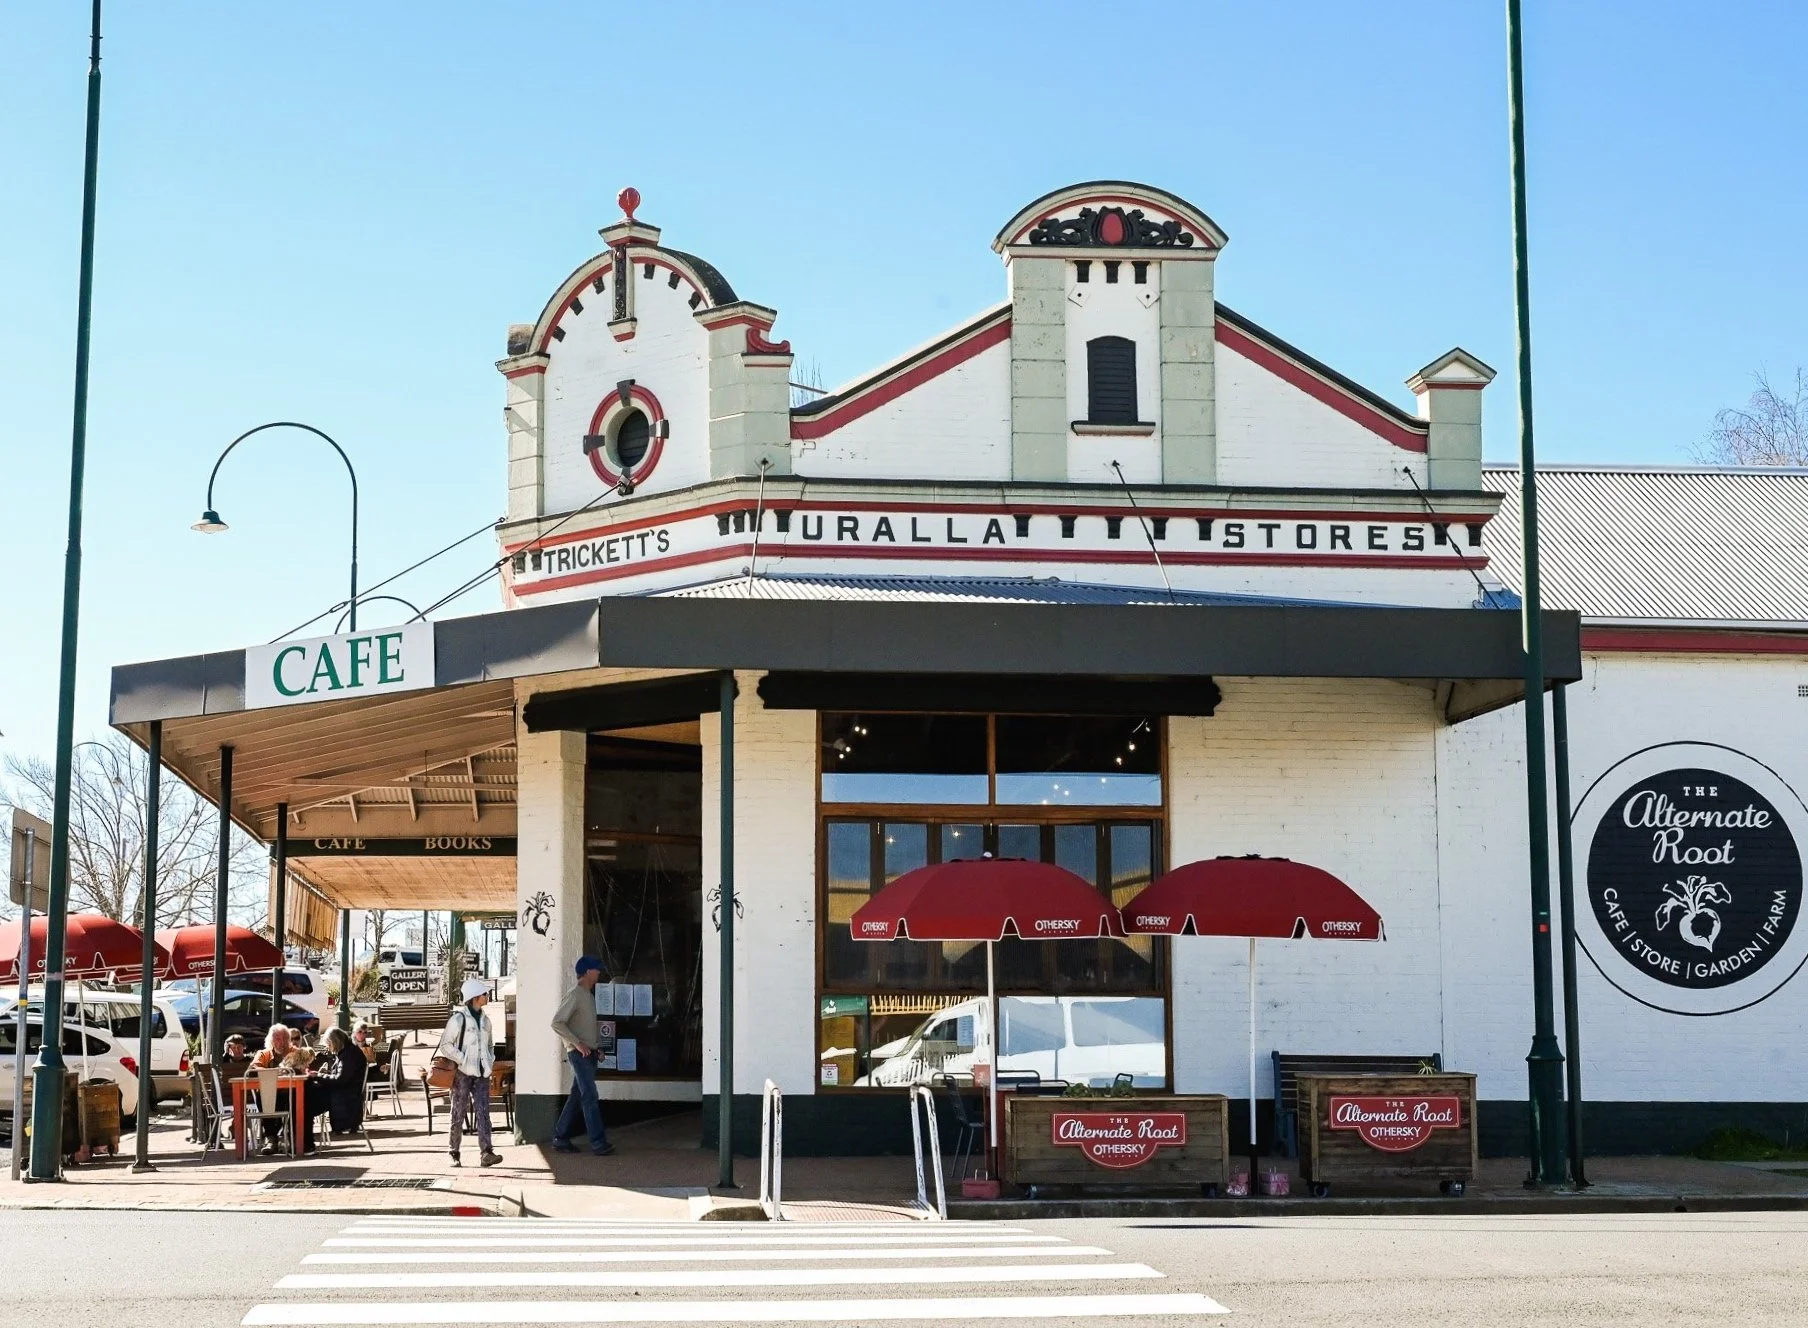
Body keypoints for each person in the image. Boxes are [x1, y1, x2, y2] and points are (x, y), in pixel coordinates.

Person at [550, 955, 613, 1156]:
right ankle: (598, 1142)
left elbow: (586, 1027)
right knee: (590, 1095)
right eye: (596, 969)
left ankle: (560, 1137)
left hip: (589, 1054)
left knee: (578, 1096)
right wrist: (577, 1044)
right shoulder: (575, 995)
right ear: (587, 972)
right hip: (579, 1055)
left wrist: (597, 1047)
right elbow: (557, 1022)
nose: (599, 973)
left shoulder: (588, 996)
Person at [436, 978, 501, 1168]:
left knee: (484, 1112)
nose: (487, 996)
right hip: (463, 1073)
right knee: (458, 1112)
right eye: (484, 994)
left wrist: (489, 1060)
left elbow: (489, 1045)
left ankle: (486, 1153)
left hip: (482, 1073)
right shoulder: (458, 1019)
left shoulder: (486, 1020)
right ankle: (453, 1151)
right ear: (474, 997)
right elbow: (445, 1045)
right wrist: (462, 1059)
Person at [249, 1024, 314, 1155]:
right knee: (265, 1094)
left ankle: (291, 1138)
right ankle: (271, 1138)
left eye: (284, 1038)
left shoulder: (295, 1052)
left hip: (290, 1095)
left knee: (295, 1096)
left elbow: (304, 1069)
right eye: (277, 1038)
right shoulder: (263, 1054)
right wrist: (274, 1073)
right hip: (268, 1096)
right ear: (271, 1040)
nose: (281, 1042)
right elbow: (253, 1069)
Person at [307, 1026, 369, 1138]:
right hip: (347, 1095)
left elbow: (341, 1079)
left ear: (335, 1042)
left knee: (308, 1101)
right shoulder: (348, 1052)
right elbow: (341, 1076)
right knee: (310, 1097)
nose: (329, 1048)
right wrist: (324, 1074)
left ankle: (303, 1131)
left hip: (345, 1097)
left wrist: (318, 1076)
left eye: (329, 1044)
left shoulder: (348, 1055)